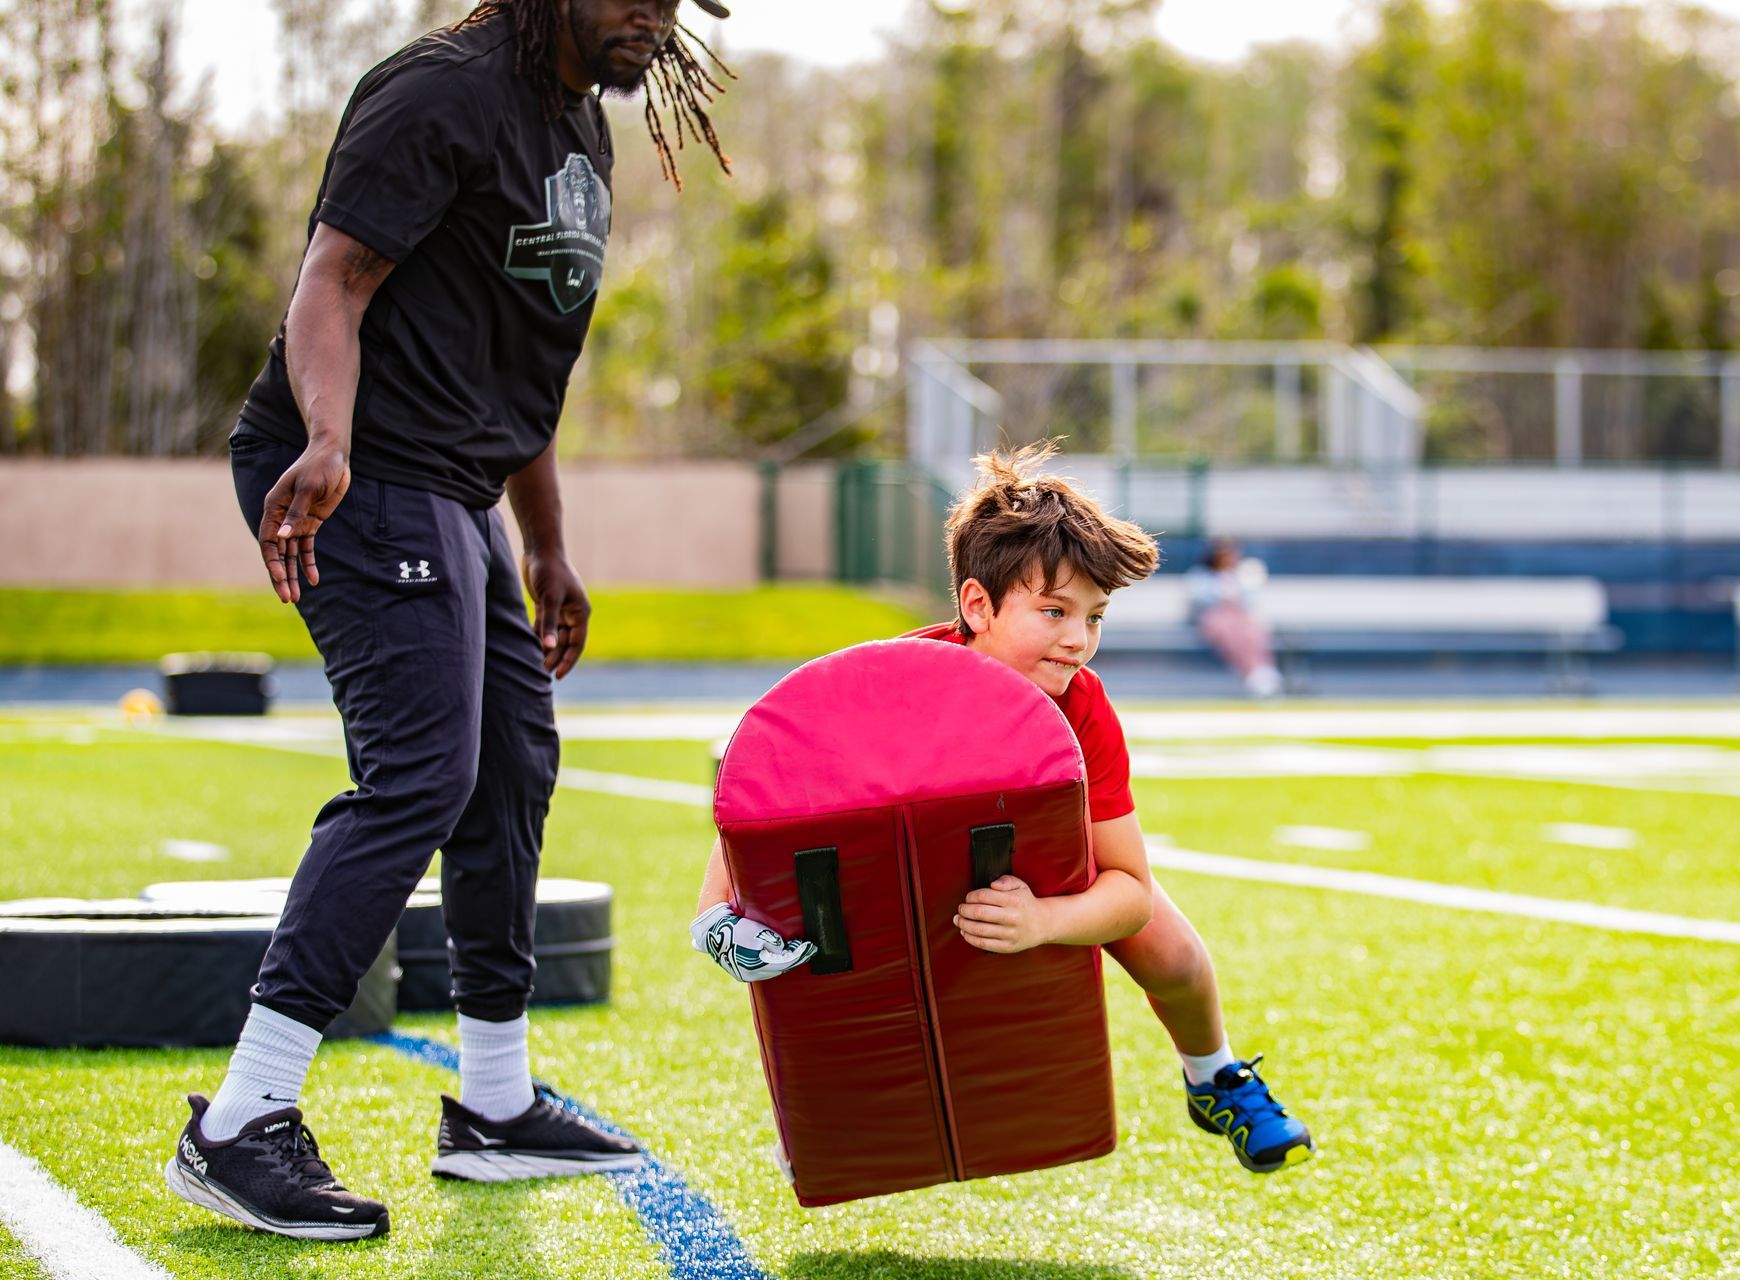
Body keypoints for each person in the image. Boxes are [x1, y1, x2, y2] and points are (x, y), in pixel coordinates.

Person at [164, 0, 734, 1242]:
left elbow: (518, 376)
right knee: (423, 770)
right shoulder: (439, 90)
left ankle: (493, 1104)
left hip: (458, 486)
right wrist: (326, 441)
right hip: (359, 467)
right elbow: (333, 279)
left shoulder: (581, 127)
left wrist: (549, 544)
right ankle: (240, 1119)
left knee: (515, 766)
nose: (656, 11)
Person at [692, 443, 1316, 1176]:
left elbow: (1130, 892)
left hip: (1028, 874)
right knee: (832, 968)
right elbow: (766, 785)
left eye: (1096, 616)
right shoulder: (888, 685)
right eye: (1053, 610)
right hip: (898, 874)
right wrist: (717, 915)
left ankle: (1214, 1076)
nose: (1079, 639)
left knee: (1173, 955)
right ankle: (826, 1123)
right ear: (976, 605)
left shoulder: (1082, 710)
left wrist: (1047, 921)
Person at [1188, 537, 1283, 697]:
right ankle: (1254, 674)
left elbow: (1249, 600)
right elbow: (1199, 598)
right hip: (1214, 616)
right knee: (1229, 630)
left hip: (1239, 617)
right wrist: (1222, 598)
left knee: (1253, 633)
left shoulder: (1240, 575)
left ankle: (1262, 671)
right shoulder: (1201, 575)